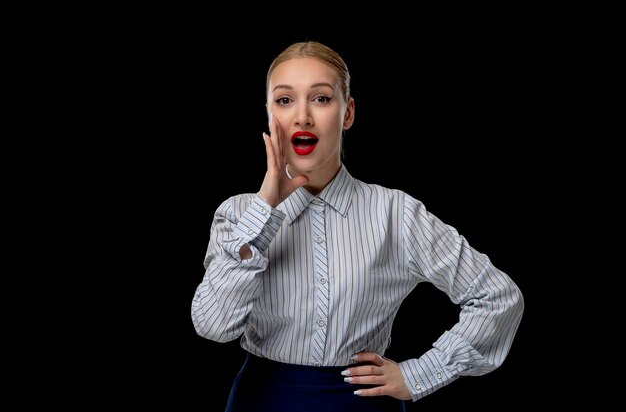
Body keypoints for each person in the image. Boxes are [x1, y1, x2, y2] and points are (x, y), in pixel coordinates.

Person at [191, 40, 524, 412]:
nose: (302, 116)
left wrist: (420, 374)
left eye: (320, 99)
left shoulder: (395, 213)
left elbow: (498, 297)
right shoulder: (237, 214)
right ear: (269, 114)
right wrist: (265, 207)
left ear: (347, 113)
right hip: (261, 401)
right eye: (285, 100)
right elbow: (214, 326)